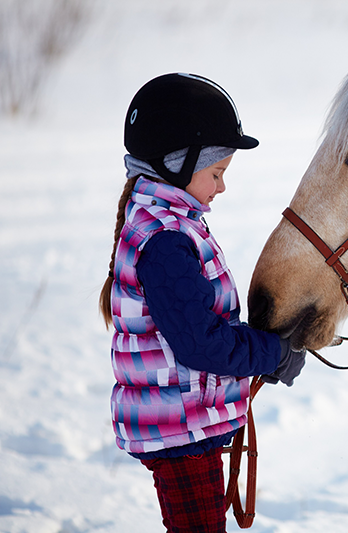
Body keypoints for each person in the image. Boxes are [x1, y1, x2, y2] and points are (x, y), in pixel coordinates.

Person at [99, 72, 305, 533]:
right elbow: (200, 344)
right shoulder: (167, 240)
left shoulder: (170, 221)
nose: (222, 187)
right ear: (177, 163)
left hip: (187, 423)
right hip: (182, 432)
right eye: (217, 173)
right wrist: (272, 352)